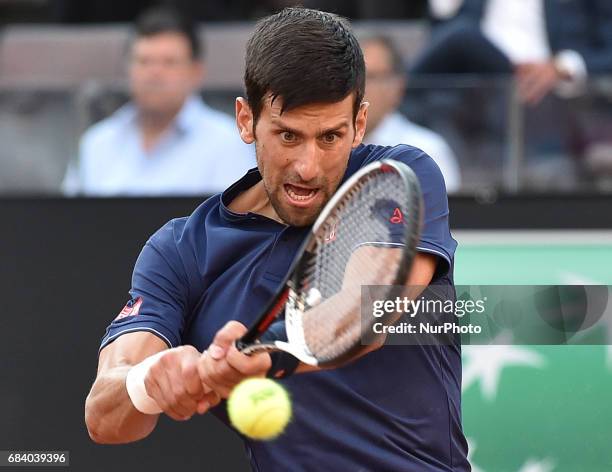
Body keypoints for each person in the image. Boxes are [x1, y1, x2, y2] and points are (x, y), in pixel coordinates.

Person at [84, 7, 469, 471]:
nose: (308, 165)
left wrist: (262, 359)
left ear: (360, 123)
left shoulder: (401, 176)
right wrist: (149, 381)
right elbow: (103, 415)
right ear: (246, 120)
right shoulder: (181, 252)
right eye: (288, 135)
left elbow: (366, 311)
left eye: (330, 137)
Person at [63, 7, 254, 196]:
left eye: (169, 62)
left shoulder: (226, 143)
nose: (155, 73)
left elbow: (236, 222)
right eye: (144, 61)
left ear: (196, 71)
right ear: (127, 68)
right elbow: (67, 219)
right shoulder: (97, 143)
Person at [413, 0, 612, 105]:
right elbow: (440, 32)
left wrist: (565, 65)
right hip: (479, 83)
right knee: (461, 37)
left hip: (551, 92)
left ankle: (398, 90)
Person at [361, 34, 461, 193]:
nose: (358, 88)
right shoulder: (329, 148)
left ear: (397, 86)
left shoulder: (427, 151)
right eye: (353, 76)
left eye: (370, 77)